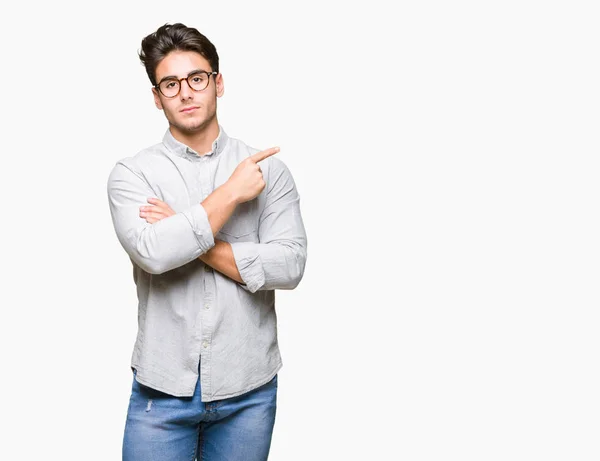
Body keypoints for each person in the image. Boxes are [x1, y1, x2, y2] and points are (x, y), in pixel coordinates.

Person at [106, 22, 308, 461]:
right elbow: (154, 253)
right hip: (162, 393)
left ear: (218, 83)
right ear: (157, 98)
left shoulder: (267, 171)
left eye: (196, 78)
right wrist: (231, 195)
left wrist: (184, 228)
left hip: (249, 391)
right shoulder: (132, 174)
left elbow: (290, 266)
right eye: (170, 83)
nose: (185, 92)